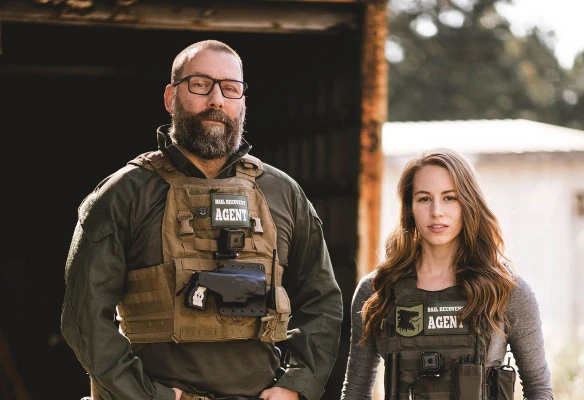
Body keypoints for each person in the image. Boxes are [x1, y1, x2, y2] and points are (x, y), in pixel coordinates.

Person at [61, 39, 343, 400]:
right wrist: (145, 395)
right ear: (170, 97)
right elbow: (83, 315)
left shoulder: (283, 193)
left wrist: (296, 385)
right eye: (200, 84)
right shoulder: (124, 194)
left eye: (230, 88)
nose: (216, 99)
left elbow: (322, 301)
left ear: (242, 103)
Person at [341, 148, 554, 400]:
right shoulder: (377, 291)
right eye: (424, 199)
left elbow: (539, 389)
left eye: (450, 198)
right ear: (409, 208)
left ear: (468, 203)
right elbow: (355, 391)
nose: (436, 211)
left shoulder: (506, 289)